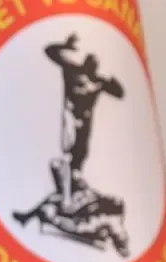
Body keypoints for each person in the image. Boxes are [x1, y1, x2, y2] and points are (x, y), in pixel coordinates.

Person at [44, 33, 124, 211]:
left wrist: (112, 76)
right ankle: (66, 199)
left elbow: (119, 93)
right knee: (67, 156)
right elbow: (50, 51)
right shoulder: (72, 71)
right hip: (70, 118)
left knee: (80, 157)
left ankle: (73, 190)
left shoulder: (99, 82)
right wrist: (66, 46)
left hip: (86, 122)